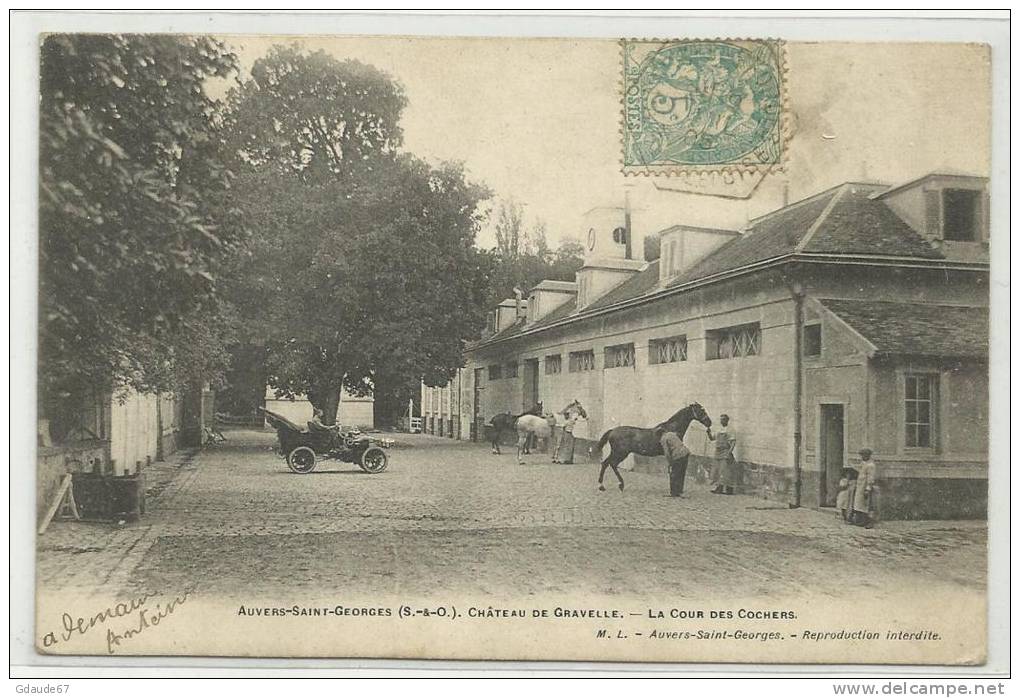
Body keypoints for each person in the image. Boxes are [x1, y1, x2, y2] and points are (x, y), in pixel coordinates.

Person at [708, 414, 737, 494]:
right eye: (721, 419)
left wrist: (729, 452)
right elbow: (712, 438)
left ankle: (729, 489)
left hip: (725, 451)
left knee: (725, 470)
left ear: (727, 420)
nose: (722, 421)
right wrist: (708, 432)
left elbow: (733, 442)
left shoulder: (730, 429)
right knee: (717, 470)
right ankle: (719, 488)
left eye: (723, 419)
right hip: (718, 451)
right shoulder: (718, 429)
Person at [660, 427, 691, 498]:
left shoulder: (663, 439)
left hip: (678, 455)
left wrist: (670, 463)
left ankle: (673, 492)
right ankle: (679, 491)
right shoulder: (671, 434)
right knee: (681, 473)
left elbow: (667, 453)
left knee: (674, 474)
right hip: (685, 452)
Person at [852, 448, 878, 528]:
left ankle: (869, 522)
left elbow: (870, 478)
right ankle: (861, 521)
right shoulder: (864, 464)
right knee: (860, 504)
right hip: (860, 487)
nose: (862, 457)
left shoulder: (871, 465)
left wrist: (868, 489)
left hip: (865, 487)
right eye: (861, 455)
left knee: (867, 505)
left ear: (867, 455)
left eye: (863, 455)